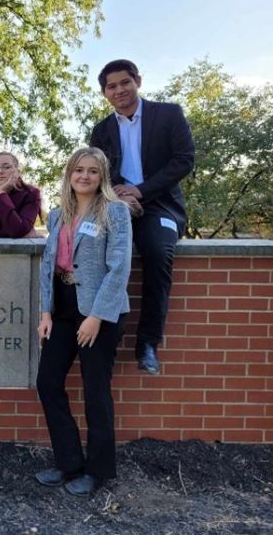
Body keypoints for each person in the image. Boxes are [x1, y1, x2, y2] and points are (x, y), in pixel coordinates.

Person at [35, 147, 132, 497]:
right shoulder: (59, 214)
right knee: (47, 382)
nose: (85, 176)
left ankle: (98, 471)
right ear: (69, 174)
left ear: (102, 176)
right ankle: (69, 462)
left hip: (99, 312)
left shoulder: (115, 212)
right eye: (79, 170)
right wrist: (45, 313)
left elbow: (119, 267)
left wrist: (96, 317)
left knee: (95, 391)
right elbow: (49, 264)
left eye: (93, 171)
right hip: (62, 307)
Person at [89, 59, 195, 375]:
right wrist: (121, 195)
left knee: (159, 253)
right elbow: (99, 171)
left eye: (125, 82)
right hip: (116, 204)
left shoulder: (169, 114)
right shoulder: (102, 130)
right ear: (105, 93)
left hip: (160, 206)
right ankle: (101, 340)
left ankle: (147, 343)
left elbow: (184, 160)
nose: (119, 90)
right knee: (91, 250)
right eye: (112, 86)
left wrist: (141, 191)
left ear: (138, 81)